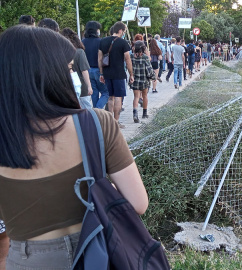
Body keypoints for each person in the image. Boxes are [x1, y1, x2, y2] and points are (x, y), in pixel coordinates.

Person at [0, 24, 148, 269]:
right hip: (97, 251)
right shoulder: (96, 123)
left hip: (26, 259)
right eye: (68, 69)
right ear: (50, 73)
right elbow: (138, 203)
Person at [98, 21, 134, 128]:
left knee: (110, 97)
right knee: (119, 97)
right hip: (119, 73)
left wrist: (101, 73)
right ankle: (116, 122)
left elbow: (100, 59)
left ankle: (110, 122)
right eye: (124, 31)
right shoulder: (123, 43)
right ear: (120, 30)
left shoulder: (103, 41)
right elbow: (127, 59)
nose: (124, 33)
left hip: (107, 73)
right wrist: (131, 74)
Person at [61, 27, 94, 109]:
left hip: (67, 88)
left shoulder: (60, 53)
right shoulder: (79, 52)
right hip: (81, 87)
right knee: (87, 111)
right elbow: (84, 70)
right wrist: (89, 86)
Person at [83, 21, 109, 109]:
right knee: (106, 92)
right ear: (96, 30)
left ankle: (95, 110)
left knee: (94, 93)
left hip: (87, 70)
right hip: (99, 70)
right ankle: (97, 110)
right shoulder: (100, 41)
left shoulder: (83, 42)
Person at [130, 41, 155, 122]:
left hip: (135, 80)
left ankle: (135, 114)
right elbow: (149, 69)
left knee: (136, 97)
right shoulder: (145, 57)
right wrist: (153, 76)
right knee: (144, 96)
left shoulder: (131, 56)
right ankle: (144, 113)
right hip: (144, 80)